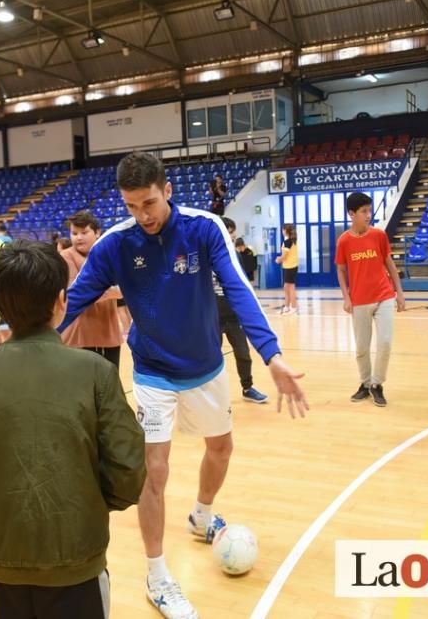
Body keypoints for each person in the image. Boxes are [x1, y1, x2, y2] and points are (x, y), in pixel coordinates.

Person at [59, 151, 307, 619]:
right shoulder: (115, 243)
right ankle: (157, 576)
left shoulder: (204, 229)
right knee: (153, 470)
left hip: (206, 367)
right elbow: (76, 300)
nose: (142, 216)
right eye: (132, 206)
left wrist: (271, 355)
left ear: (167, 191)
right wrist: (39, 343)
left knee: (221, 448)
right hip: (151, 371)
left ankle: (201, 515)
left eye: (149, 203)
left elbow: (237, 287)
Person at [0, 240, 145, 619]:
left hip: (1, 560)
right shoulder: (94, 371)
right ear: (62, 300)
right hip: (77, 558)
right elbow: (128, 472)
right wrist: (90, 504)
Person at [335, 192, 406, 407]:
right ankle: (365, 384)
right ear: (351, 214)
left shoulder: (379, 235)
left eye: (369, 210)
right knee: (362, 348)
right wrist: (346, 298)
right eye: (364, 211)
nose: (368, 215)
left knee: (385, 342)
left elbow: (390, 265)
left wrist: (399, 293)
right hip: (359, 301)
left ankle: (377, 384)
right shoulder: (344, 241)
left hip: (384, 296)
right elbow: (341, 270)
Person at [60, 211, 123, 368]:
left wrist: (109, 290)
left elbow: (124, 289)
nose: (78, 237)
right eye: (74, 233)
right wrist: (109, 290)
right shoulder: (65, 257)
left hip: (110, 335)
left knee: (110, 386)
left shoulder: (110, 254)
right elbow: (75, 292)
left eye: (84, 232)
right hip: (77, 337)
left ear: (97, 233)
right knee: (82, 389)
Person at [216, 217, 268, 405]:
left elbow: (241, 284)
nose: (232, 238)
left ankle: (247, 388)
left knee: (243, 353)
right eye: (230, 234)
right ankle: (214, 395)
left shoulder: (235, 255)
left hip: (233, 315)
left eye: (234, 235)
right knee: (213, 359)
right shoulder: (205, 255)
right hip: (213, 317)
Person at [275, 223, 299, 314]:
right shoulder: (292, 241)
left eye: (283, 229)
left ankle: (294, 307)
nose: (282, 231)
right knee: (286, 287)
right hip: (290, 266)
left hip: (290, 267)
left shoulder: (288, 242)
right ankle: (287, 306)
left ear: (286, 231)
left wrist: (278, 259)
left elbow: (284, 256)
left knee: (290, 287)